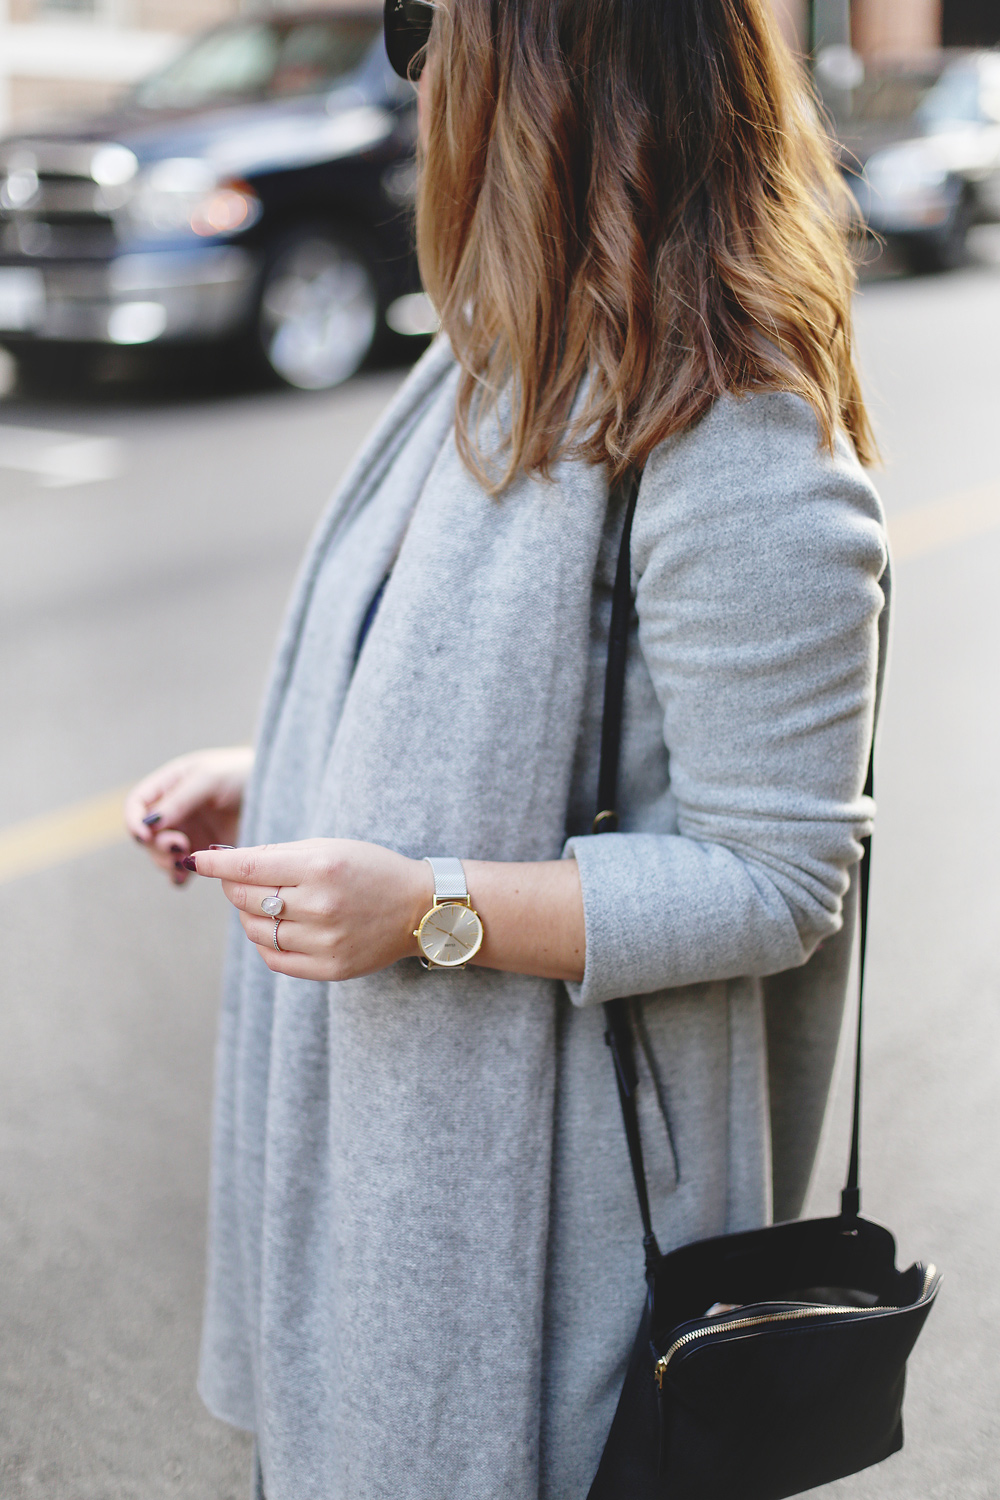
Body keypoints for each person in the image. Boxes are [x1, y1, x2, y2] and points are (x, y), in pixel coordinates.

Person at [125, 1, 889, 1496]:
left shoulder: (739, 440)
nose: (413, 76)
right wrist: (280, 765)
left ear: (551, 82)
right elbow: (464, 691)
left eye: (431, 30)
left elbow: (781, 874)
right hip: (406, 1179)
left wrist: (427, 906)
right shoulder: (494, 360)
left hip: (554, 1229)